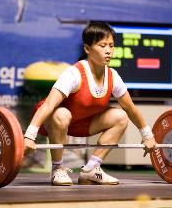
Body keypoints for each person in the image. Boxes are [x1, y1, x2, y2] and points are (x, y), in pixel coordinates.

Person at [24, 22, 157, 186]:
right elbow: (49, 105)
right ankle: (57, 168)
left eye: (111, 46)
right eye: (102, 45)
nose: (108, 50)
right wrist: (29, 136)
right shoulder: (74, 73)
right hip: (52, 121)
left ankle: (91, 169)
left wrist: (147, 136)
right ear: (87, 49)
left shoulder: (113, 76)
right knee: (62, 114)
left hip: (82, 123)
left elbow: (130, 108)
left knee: (121, 116)